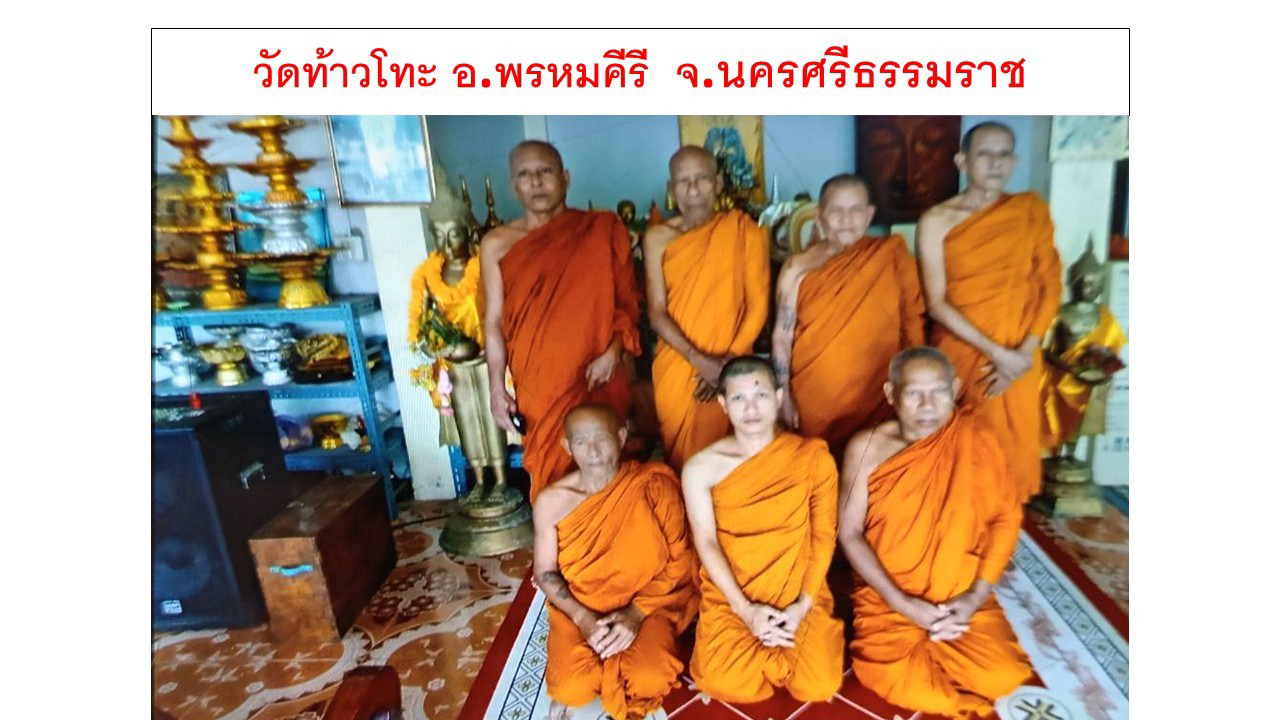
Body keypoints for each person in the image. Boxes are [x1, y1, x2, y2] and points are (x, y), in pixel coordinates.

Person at [839, 347, 1031, 718]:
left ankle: (943, 641)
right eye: (914, 392)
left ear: (955, 389)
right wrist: (902, 603)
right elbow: (849, 533)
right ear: (891, 394)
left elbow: (1006, 518)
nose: (927, 405)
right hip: (890, 600)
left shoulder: (978, 438)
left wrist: (974, 597)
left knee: (1004, 677)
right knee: (914, 687)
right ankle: (947, 681)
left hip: (958, 595)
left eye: (939, 391)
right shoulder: (868, 447)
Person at [481, 140, 642, 501]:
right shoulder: (497, 244)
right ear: (513, 185)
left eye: (546, 171)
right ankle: (561, 533)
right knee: (550, 461)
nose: (536, 181)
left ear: (565, 178)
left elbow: (628, 302)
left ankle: (612, 530)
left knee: (605, 456)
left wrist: (614, 351)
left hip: (598, 372)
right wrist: (496, 388)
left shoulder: (601, 229)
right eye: (525, 174)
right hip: (540, 380)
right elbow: (493, 320)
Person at [682, 356, 843, 704]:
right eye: (739, 398)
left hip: (797, 589)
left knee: (820, 685)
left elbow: (823, 535)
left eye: (761, 395)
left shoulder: (812, 457)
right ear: (724, 404)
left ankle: (779, 645)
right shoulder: (701, 468)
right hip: (733, 593)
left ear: (779, 397)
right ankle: (751, 647)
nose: (751, 408)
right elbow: (706, 542)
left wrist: (802, 605)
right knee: (723, 682)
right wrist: (745, 610)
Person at [916, 121, 1062, 502]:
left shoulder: (1029, 210)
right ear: (962, 161)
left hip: (1021, 355)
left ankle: (1006, 526)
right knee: (965, 451)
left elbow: (1049, 284)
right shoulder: (935, 221)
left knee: (1012, 457)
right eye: (984, 154)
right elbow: (936, 302)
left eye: (1004, 155)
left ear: (1014, 162)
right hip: (966, 352)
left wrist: (1024, 353)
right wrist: (998, 355)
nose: (995, 164)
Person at [533, 404, 698, 720]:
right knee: (570, 688)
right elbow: (545, 571)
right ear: (567, 446)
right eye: (581, 442)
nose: (593, 451)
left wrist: (636, 614)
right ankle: (600, 664)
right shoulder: (552, 502)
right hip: (584, 604)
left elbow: (680, 561)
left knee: (650, 678)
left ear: (622, 437)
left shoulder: (653, 485)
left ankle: (627, 658)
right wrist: (582, 618)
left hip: (649, 604)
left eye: (602, 439)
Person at [772, 174, 926, 452]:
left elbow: (912, 321)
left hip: (878, 388)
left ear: (869, 215)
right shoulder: (797, 267)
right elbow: (782, 333)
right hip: (817, 391)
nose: (846, 219)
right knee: (819, 462)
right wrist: (783, 394)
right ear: (819, 216)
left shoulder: (891, 253)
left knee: (875, 461)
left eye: (856, 210)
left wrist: (913, 384)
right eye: (836, 211)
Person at [643, 146, 770, 471]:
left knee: (732, 460)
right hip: (679, 365)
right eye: (683, 181)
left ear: (718, 183)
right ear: (671, 188)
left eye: (701, 178)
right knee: (682, 461)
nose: (693, 189)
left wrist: (727, 367)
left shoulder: (744, 230)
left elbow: (758, 305)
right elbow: (656, 312)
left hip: (733, 363)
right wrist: (701, 362)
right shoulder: (657, 238)